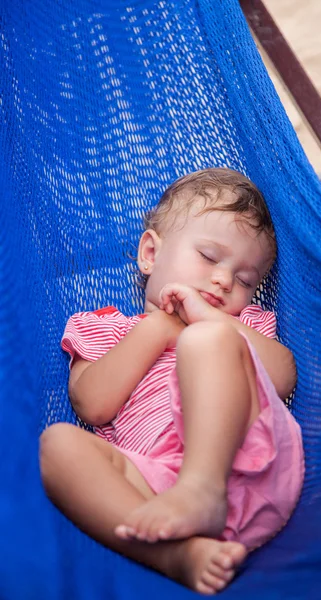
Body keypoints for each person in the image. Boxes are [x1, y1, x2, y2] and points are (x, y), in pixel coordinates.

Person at [40, 167, 304, 596]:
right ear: (150, 253)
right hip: (157, 492)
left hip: (250, 469)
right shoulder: (106, 329)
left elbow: (282, 377)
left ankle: (203, 487)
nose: (223, 280)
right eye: (210, 257)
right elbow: (92, 404)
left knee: (207, 341)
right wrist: (158, 328)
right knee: (57, 445)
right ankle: (181, 556)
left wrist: (207, 319)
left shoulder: (238, 325)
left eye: (245, 281)